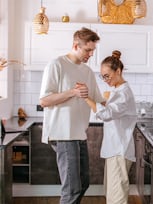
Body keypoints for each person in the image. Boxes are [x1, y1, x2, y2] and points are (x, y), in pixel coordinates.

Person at [39, 27, 103, 204]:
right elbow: (44, 100)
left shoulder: (87, 71)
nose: (90, 54)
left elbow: (98, 99)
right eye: (87, 50)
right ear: (76, 45)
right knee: (72, 187)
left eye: (93, 50)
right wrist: (72, 92)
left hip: (78, 133)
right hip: (63, 133)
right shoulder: (57, 65)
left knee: (83, 184)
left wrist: (121, 97)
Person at [84, 50, 137, 204]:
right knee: (112, 194)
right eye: (102, 76)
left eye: (107, 75)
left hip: (119, 150)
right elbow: (110, 111)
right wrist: (101, 101)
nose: (105, 79)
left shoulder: (123, 94)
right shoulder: (117, 91)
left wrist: (86, 97)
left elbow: (107, 114)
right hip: (114, 150)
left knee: (117, 198)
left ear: (118, 71)